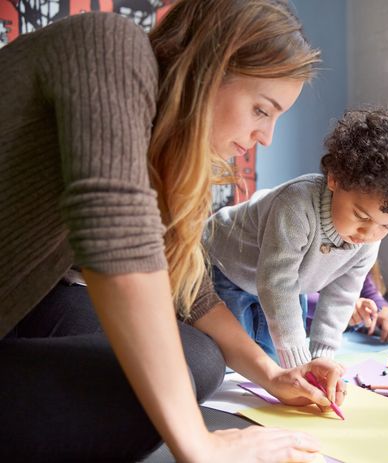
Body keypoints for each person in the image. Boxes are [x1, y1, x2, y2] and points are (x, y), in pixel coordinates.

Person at [0, 1, 347, 461]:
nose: (266, 137)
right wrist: (199, 445)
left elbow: (189, 289)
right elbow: (116, 247)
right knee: (158, 395)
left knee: (198, 362)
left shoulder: (157, 144)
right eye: (262, 110)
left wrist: (272, 373)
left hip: (23, 306)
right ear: (211, 68)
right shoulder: (110, 48)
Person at [206, 106, 388, 367]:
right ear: (334, 179)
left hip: (286, 282)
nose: (369, 234)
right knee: (239, 361)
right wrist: (300, 365)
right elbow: (276, 284)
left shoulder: (369, 238)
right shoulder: (296, 205)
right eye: (361, 216)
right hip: (226, 265)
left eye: (386, 227)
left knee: (275, 360)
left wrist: (322, 357)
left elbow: (342, 295)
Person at [306, 263, 388, 343]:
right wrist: (341, 306)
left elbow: (366, 286)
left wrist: (383, 308)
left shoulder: (361, 250)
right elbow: (295, 296)